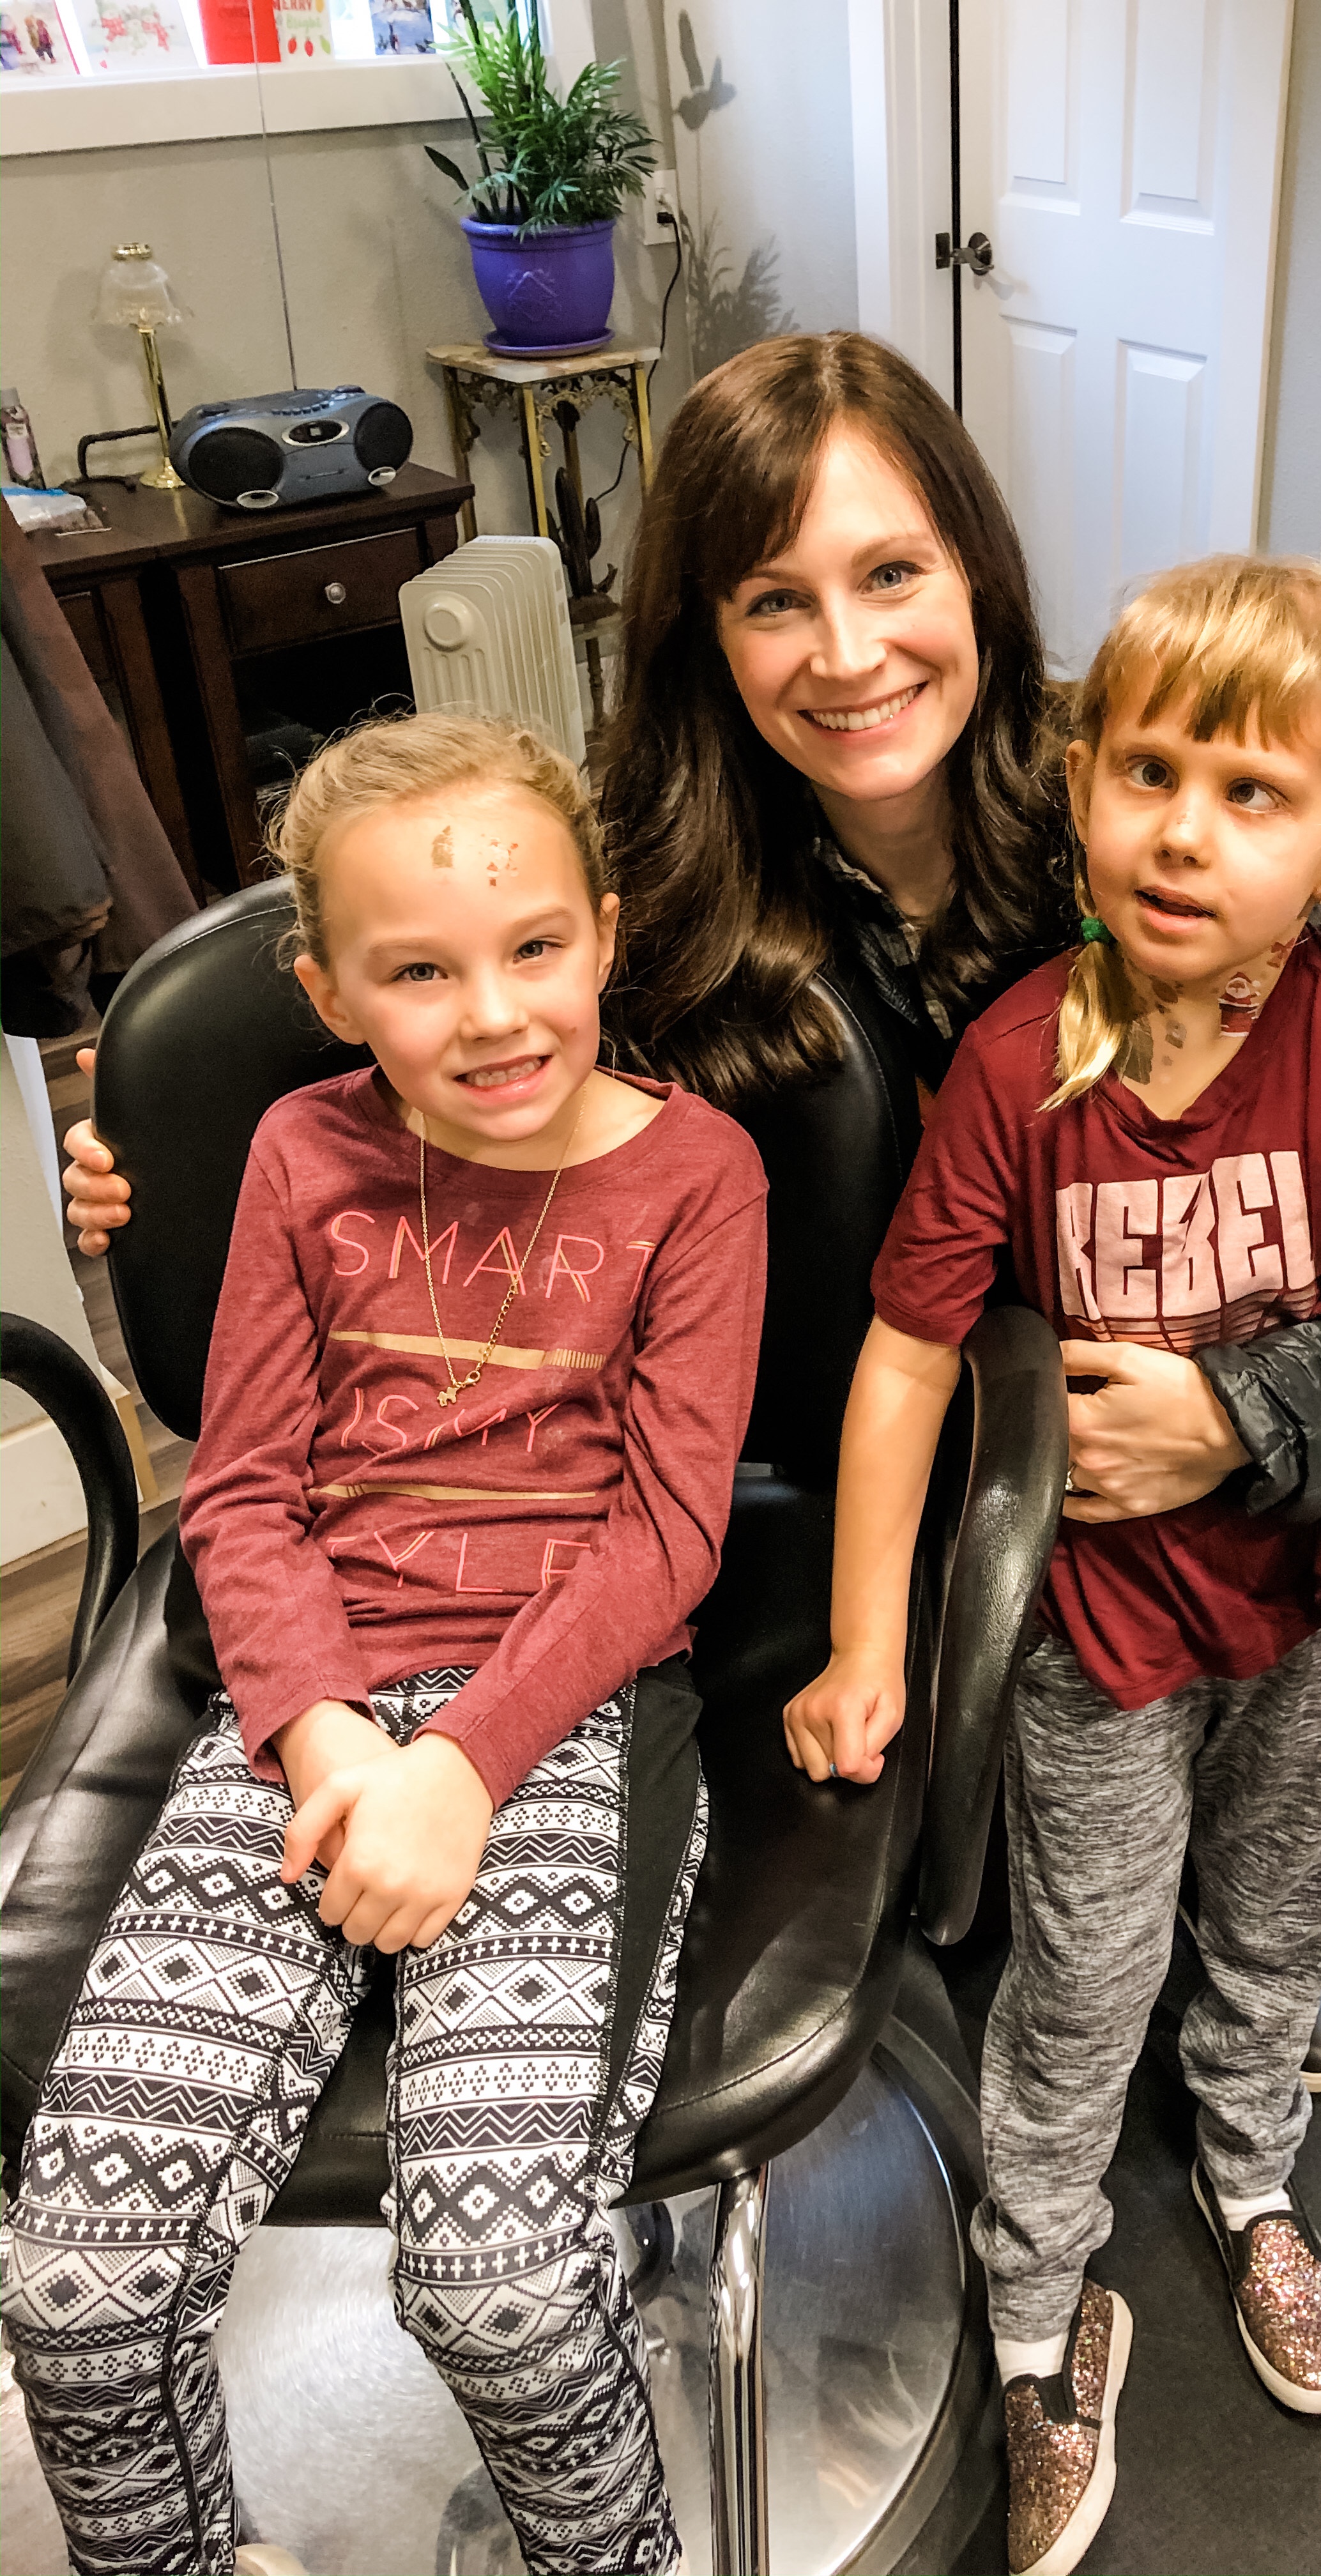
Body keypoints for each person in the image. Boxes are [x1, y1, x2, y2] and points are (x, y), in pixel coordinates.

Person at [59, 330, 1321, 1994]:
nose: (847, 652)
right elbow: (431, 970)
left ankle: (1209, 1836)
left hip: (1227, 1501)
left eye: (891, 571)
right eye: (774, 600)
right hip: (877, 1522)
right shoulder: (658, 892)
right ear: (707, 634)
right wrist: (176, 1152)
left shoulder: (1159, 801)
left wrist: (1245, 1416)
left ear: (975, 570)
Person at [786, 556, 1321, 2576]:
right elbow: (907, 1352)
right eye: (1151, 772)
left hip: (1309, 1619)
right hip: (1095, 1639)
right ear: (1080, 785)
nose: (1187, 830)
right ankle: (1034, 2318)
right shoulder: (1015, 1062)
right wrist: (867, 1645)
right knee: (1080, 1982)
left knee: (1276, 1937)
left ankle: (1255, 2185)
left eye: (1253, 795)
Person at [4, 714, 767, 2576]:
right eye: (417, 971)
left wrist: (460, 1763)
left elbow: (669, 1532)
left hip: (562, 1706)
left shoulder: (701, 1177)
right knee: (78, 2283)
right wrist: (338, 1741)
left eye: (532, 952)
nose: (492, 1014)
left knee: (501, 2283)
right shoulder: (298, 1151)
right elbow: (244, 1491)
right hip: (306, 1699)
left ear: (603, 935)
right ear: (329, 987)